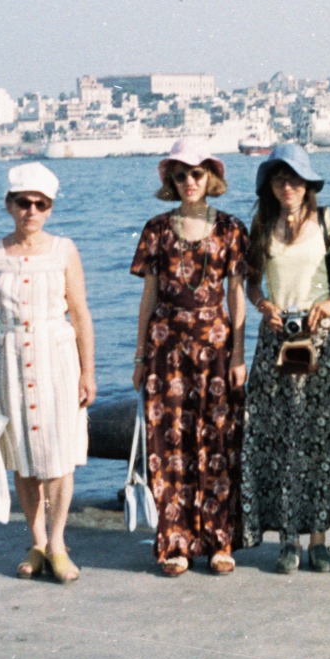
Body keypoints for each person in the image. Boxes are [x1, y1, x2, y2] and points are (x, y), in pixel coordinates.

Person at [240, 143, 330, 572]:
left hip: (322, 343)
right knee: (281, 439)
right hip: (277, 342)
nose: (288, 186)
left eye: (295, 179)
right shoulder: (261, 223)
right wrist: (264, 306)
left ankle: (318, 539)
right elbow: (252, 285)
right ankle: (287, 539)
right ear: (271, 185)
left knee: (321, 443)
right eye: (281, 178)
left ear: (308, 184)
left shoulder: (329, 221)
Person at [0, 162, 97, 585]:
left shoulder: (64, 250)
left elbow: (80, 314)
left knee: (59, 457)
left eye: (40, 204)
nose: (31, 210)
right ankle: (37, 541)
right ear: (9, 205)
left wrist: (87, 372)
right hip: (8, 359)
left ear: (50, 209)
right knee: (22, 457)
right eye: (23, 202)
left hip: (56, 359)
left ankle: (58, 543)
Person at [131, 138, 249, 576]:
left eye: (197, 173)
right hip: (166, 350)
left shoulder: (232, 229)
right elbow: (148, 296)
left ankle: (220, 539)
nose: (189, 182)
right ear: (170, 181)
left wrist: (239, 355)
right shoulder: (157, 228)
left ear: (211, 177)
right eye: (180, 175)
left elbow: (236, 297)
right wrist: (140, 356)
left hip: (216, 350)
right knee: (169, 444)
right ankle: (175, 542)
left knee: (219, 440)